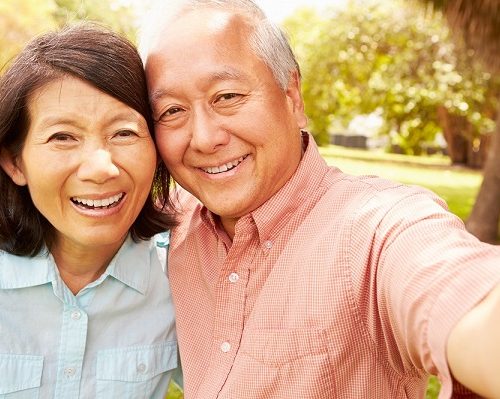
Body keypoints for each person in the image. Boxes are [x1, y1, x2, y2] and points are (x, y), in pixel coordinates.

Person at [140, 1, 500, 398]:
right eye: (172, 110)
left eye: (227, 96)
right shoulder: (173, 223)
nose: (205, 138)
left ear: (292, 96)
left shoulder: (375, 229)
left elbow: (461, 295)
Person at [0, 23, 178, 398]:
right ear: (15, 162)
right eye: (62, 137)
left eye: (124, 133)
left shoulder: (180, 282)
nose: (102, 168)